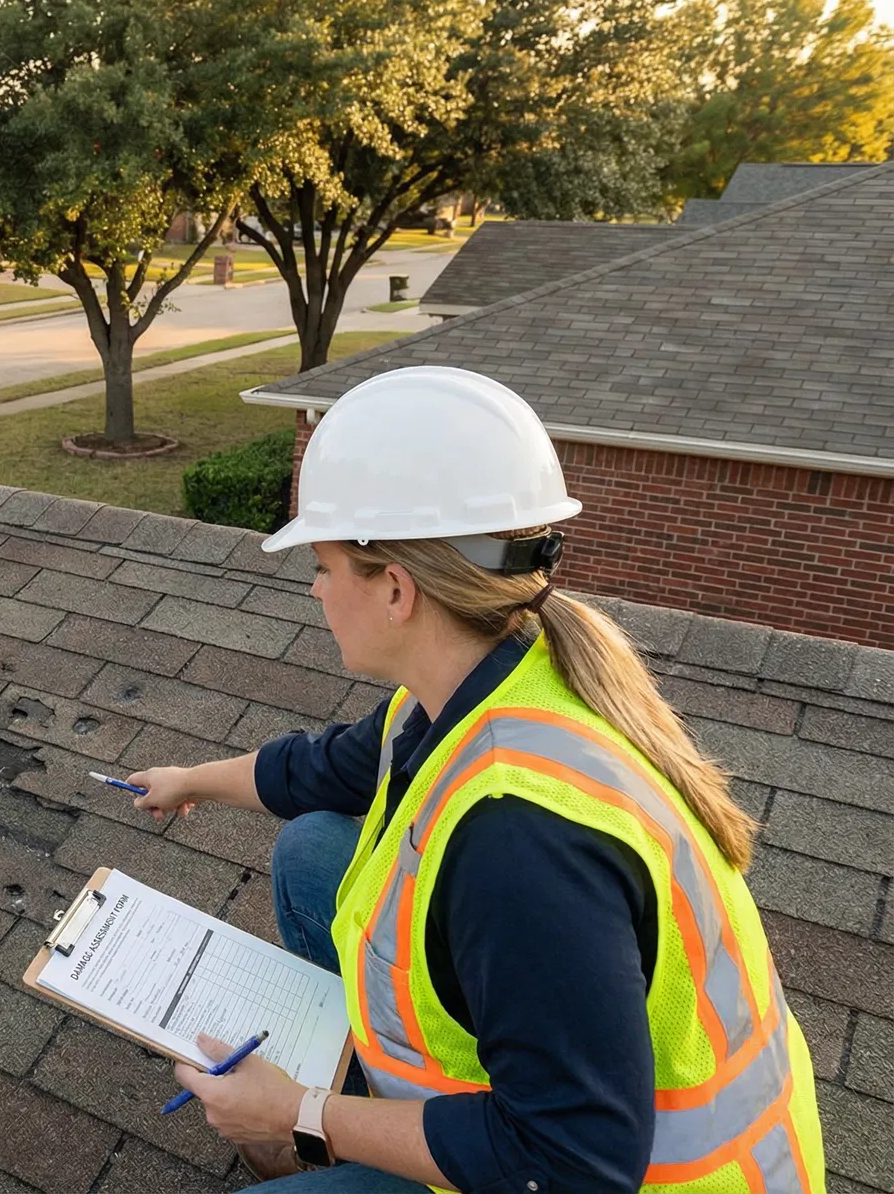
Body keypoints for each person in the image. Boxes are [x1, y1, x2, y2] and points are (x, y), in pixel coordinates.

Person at [128, 367, 824, 1192]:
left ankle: (342, 1114)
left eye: (321, 565)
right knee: (314, 846)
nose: (315, 589)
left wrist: (298, 1115)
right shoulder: (495, 673)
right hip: (569, 1105)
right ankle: (368, 1094)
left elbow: (572, 1165)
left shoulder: (520, 841)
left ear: (394, 588)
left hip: (624, 1176)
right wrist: (190, 780)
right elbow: (318, 769)